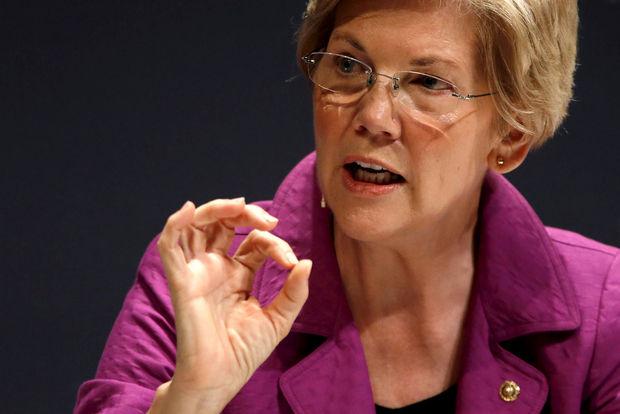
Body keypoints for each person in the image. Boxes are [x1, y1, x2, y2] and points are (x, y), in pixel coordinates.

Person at [75, 0, 620, 413]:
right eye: (349, 67)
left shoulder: (605, 314)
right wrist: (193, 397)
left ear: (511, 137)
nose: (374, 116)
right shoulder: (206, 276)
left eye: (428, 82)